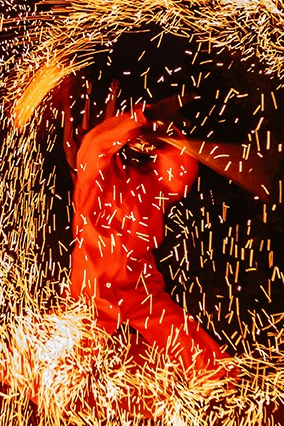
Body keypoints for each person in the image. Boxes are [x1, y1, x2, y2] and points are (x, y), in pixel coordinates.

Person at [66, 101, 237, 391]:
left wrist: (171, 140)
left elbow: (179, 175)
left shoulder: (151, 185)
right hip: (95, 279)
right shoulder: (95, 174)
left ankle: (218, 379)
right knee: (77, 337)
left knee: (173, 326)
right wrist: (140, 118)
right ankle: (25, 379)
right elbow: (96, 143)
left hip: (137, 279)